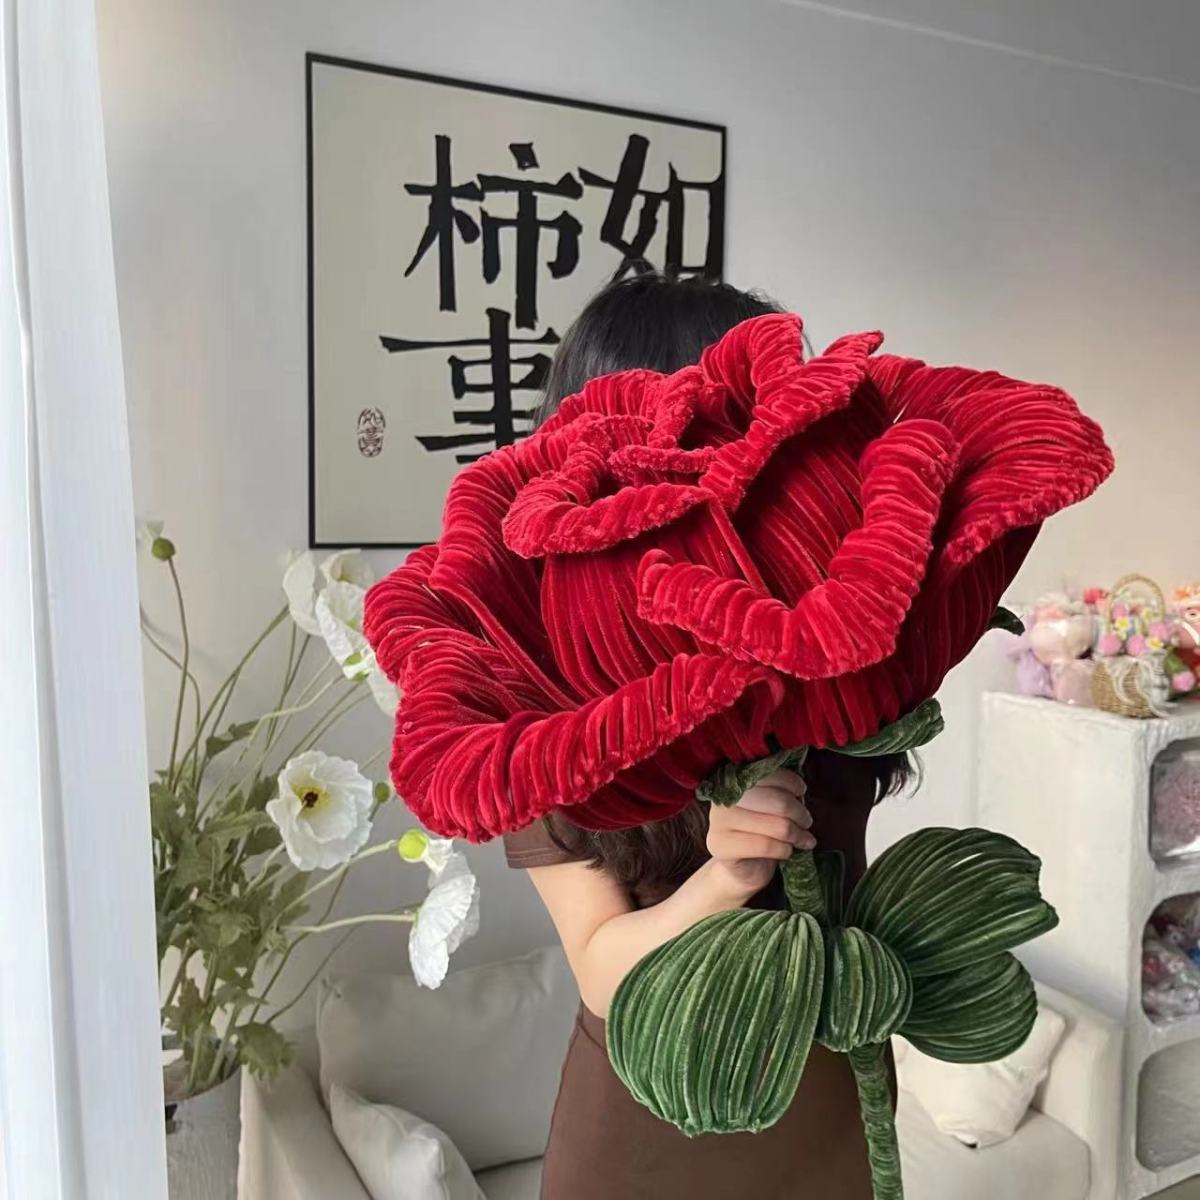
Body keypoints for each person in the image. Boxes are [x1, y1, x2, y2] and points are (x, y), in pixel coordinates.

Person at [503, 269, 909, 1200]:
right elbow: (603, 972)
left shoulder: (837, 642)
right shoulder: (540, 700)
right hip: (655, 1132)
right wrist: (724, 878)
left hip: (833, 1096)